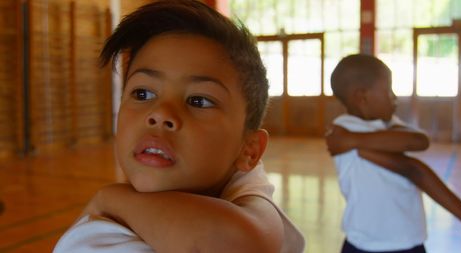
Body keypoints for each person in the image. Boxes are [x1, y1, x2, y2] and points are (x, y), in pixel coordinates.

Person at [53, 1, 304, 252]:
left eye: (198, 100)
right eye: (142, 94)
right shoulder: (100, 242)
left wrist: (111, 199)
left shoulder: (242, 185)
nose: (160, 113)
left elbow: (245, 242)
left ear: (249, 151)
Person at [326, 54, 461, 253]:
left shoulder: (366, 130)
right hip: (362, 242)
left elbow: (418, 140)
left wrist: (352, 141)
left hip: (407, 241)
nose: (395, 97)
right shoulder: (343, 127)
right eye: (388, 90)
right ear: (361, 97)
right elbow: (412, 168)